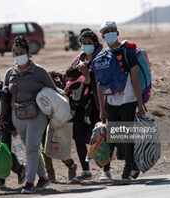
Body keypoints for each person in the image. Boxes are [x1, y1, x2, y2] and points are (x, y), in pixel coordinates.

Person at [0, 36, 56, 194]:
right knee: (31, 148)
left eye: (22, 52)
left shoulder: (39, 71)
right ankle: (43, 178)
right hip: (18, 117)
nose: (19, 55)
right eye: (16, 53)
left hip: (37, 116)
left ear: (28, 53)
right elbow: (4, 97)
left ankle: (30, 182)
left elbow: (53, 92)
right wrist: (1, 118)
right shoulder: (10, 73)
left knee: (31, 149)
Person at [97, 21, 145, 185]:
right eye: (106, 32)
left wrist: (140, 103)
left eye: (113, 31)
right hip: (111, 102)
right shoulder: (102, 57)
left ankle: (127, 172)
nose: (110, 34)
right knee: (115, 137)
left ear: (117, 33)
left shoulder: (128, 52)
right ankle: (121, 168)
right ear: (102, 36)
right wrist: (102, 109)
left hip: (128, 100)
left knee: (127, 138)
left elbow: (135, 77)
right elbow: (100, 84)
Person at [67, 28, 102, 182]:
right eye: (84, 43)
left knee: (101, 136)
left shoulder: (101, 57)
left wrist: (88, 73)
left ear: (95, 43)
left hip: (96, 103)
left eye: (89, 43)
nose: (86, 45)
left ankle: (105, 170)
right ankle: (86, 170)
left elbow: (102, 78)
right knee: (79, 137)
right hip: (79, 104)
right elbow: (70, 75)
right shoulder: (78, 59)